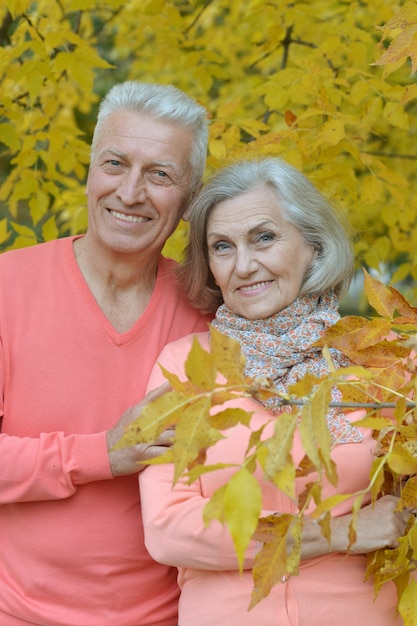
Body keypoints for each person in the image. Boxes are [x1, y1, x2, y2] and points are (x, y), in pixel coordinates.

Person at [139, 157, 411, 625]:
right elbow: (168, 531)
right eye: (222, 247)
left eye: (264, 237)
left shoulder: (379, 362)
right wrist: (340, 533)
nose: (244, 265)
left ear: (313, 245)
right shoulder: (186, 367)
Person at [0, 81, 212, 625]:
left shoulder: (213, 311)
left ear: (190, 199)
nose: (130, 191)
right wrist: (101, 454)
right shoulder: (7, 287)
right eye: (115, 163)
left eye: (160, 174)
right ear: (91, 170)